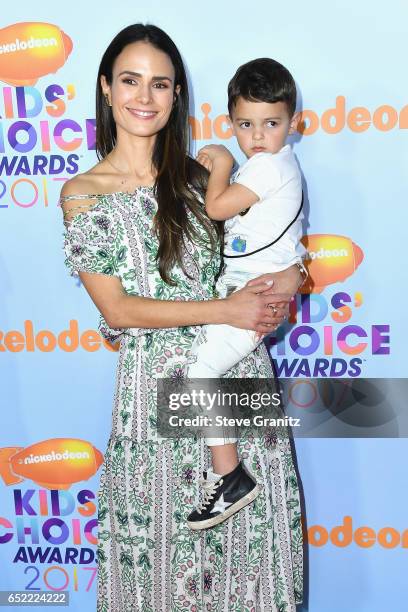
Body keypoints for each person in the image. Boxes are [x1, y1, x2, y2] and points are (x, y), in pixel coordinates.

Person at [60, 24, 303, 611]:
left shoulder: (203, 182)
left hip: (239, 382)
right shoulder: (82, 193)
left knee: (254, 574)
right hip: (154, 402)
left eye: (160, 84)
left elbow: (273, 244)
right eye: (130, 80)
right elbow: (116, 308)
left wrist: (291, 281)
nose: (145, 97)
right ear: (106, 89)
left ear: (176, 96)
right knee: (159, 578)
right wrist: (226, 307)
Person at [185, 58, 308, 531]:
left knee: (200, 372)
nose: (258, 135)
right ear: (234, 120)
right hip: (246, 288)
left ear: (293, 123)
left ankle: (230, 475)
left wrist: (220, 160)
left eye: (271, 123)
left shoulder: (266, 167)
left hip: (251, 295)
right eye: (246, 124)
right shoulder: (272, 165)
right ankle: (228, 473)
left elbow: (217, 208)